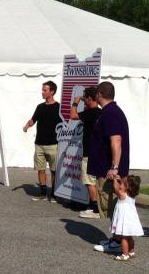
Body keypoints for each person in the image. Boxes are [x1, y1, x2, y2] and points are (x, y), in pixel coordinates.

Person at [90, 82, 130, 253]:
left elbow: (116, 141)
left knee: (113, 206)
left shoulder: (111, 113)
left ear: (99, 94)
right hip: (109, 169)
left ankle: (117, 243)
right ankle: (117, 240)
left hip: (111, 172)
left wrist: (114, 167)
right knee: (114, 206)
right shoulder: (110, 111)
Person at [23, 81, 62, 202]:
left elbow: (65, 124)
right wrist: (26, 126)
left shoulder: (59, 107)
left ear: (52, 92)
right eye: (42, 90)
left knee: (54, 170)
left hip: (53, 144)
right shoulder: (40, 107)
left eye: (45, 90)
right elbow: (33, 119)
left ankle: (54, 194)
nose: (43, 92)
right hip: (39, 143)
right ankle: (43, 192)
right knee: (40, 169)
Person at [70, 87, 102, 219]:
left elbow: (73, 116)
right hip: (98, 151)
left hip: (89, 152)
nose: (84, 99)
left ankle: (94, 209)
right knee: (95, 181)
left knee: (89, 180)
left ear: (90, 98)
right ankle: (95, 206)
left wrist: (75, 102)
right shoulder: (100, 112)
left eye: (85, 97)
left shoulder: (92, 112)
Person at [110, 175, 144, 261]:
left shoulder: (122, 195)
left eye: (122, 184)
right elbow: (121, 187)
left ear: (127, 187)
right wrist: (121, 182)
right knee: (130, 237)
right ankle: (131, 251)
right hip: (130, 219)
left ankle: (124, 254)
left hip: (124, 220)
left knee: (124, 238)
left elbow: (116, 188)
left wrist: (114, 180)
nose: (120, 184)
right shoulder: (131, 196)